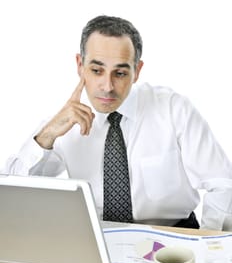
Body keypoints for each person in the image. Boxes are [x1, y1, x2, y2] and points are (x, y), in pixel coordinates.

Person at [3, 15, 232, 230]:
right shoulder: (66, 120)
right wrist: (46, 136)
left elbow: (222, 184)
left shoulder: (173, 109)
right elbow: (12, 194)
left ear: (137, 70)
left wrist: (207, 244)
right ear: (79, 65)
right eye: (96, 70)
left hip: (171, 236)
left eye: (120, 73)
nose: (107, 86)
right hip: (97, 238)